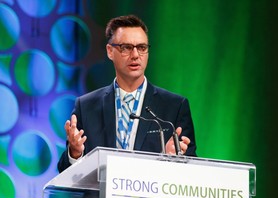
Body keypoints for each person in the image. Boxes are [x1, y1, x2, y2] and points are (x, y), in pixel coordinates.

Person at [58, 14, 197, 173]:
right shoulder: (86, 106)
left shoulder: (174, 107)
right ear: (110, 51)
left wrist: (171, 159)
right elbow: (64, 171)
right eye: (126, 48)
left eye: (142, 48)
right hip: (99, 197)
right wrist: (75, 153)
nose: (136, 55)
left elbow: (191, 172)